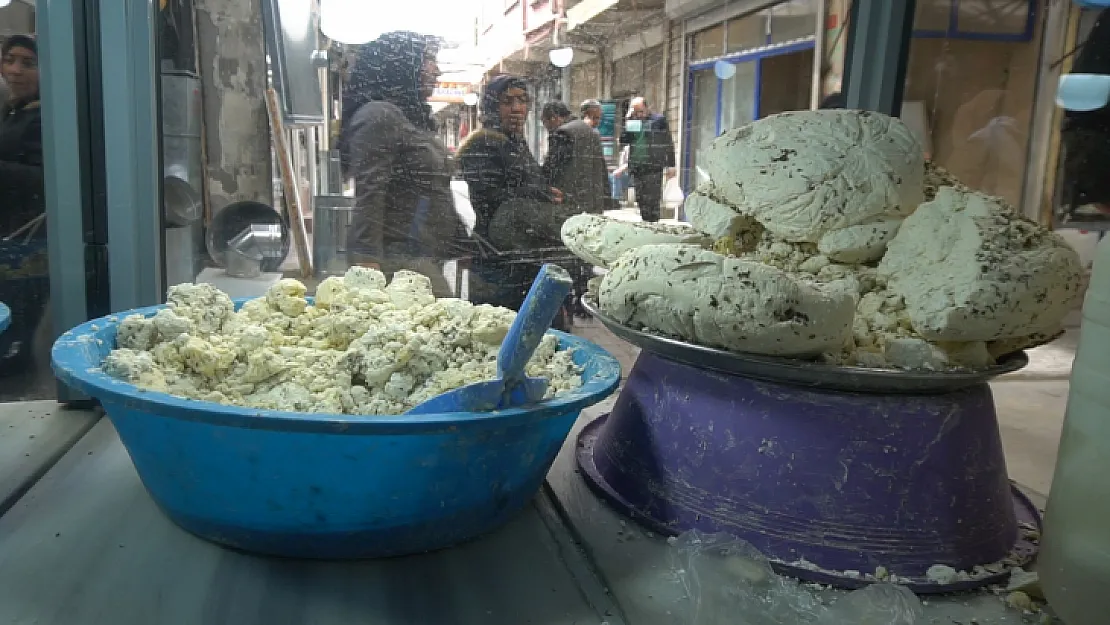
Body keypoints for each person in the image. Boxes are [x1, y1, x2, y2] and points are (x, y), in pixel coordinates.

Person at [336, 30, 467, 297]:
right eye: (428, 59)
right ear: (401, 65)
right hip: (399, 263)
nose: (437, 70)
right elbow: (370, 194)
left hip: (421, 257)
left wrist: (460, 243)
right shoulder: (379, 115)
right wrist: (367, 264)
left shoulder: (408, 119)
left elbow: (430, 190)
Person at [457, 75, 566, 312]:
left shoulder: (514, 142)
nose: (517, 109)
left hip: (524, 255)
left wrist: (545, 192)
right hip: (497, 259)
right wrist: (539, 194)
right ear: (492, 107)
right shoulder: (482, 143)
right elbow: (490, 196)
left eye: (522, 100)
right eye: (507, 102)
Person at [0, 34, 44, 235]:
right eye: (9, 60)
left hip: (27, 232)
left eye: (28, 64)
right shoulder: (14, 109)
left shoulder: (46, 118)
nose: (15, 71)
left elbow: (45, 179)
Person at [540, 100, 609, 215]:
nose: (546, 127)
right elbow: (602, 169)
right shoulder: (590, 131)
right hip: (593, 203)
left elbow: (550, 169)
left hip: (570, 204)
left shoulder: (562, 133)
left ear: (553, 118)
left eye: (544, 122)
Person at [619, 96, 675, 222]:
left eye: (641, 111)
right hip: (638, 167)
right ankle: (645, 221)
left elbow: (668, 142)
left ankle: (653, 223)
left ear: (647, 107)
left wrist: (671, 165)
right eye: (636, 112)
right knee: (641, 199)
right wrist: (627, 121)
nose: (639, 115)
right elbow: (624, 140)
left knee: (653, 200)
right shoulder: (633, 122)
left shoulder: (658, 120)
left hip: (654, 166)